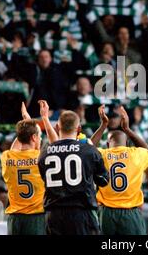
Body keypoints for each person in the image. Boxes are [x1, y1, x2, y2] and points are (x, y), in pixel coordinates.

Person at [37, 100, 109, 235]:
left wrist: (45, 118)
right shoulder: (89, 151)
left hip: (54, 215)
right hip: (82, 214)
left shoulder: (44, 153)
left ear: (58, 127)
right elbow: (104, 181)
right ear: (79, 129)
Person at [90, 105, 148, 235]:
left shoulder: (102, 154)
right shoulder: (135, 154)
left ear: (108, 144)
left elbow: (87, 149)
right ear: (128, 144)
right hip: (130, 212)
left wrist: (103, 125)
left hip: (106, 213)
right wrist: (128, 129)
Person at [0, 103, 46, 235]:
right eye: (39, 136)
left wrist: (26, 125)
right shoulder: (41, 156)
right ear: (33, 137)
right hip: (36, 217)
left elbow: (15, 148)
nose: (41, 139)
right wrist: (29, 123)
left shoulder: (7, 156)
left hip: (15, 218)